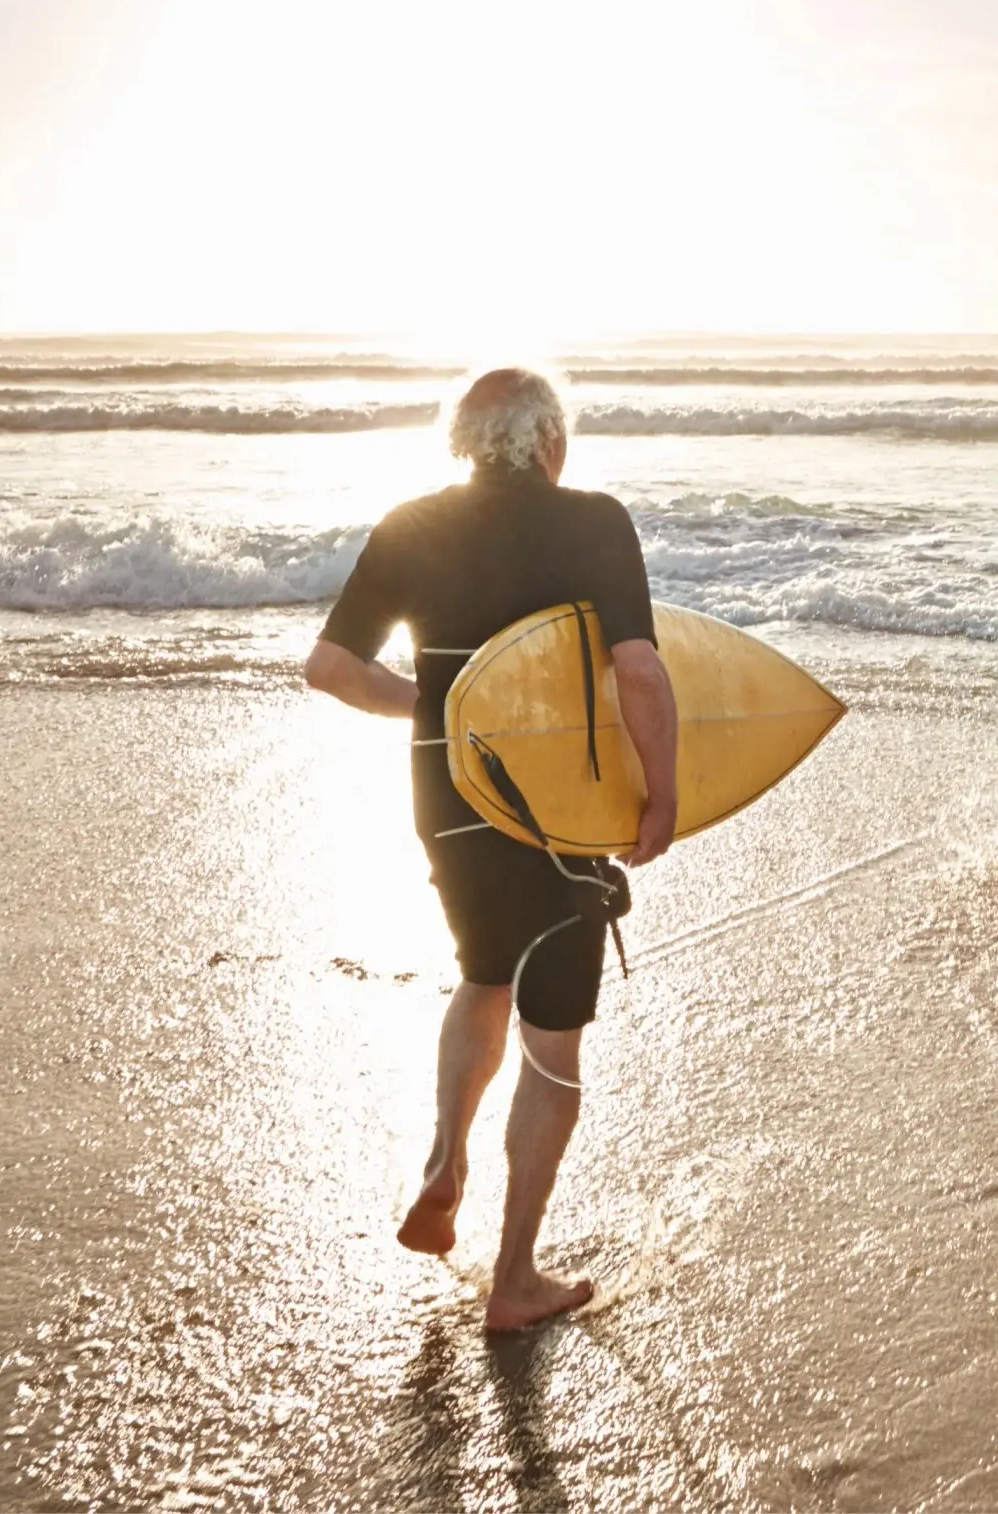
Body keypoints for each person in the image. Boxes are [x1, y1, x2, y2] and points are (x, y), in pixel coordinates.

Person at [304, 366, 680, 1331]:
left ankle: (445, 1158)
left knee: (481, 975)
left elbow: (332, 667)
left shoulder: (411, 523)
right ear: (550, 442)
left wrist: (436, 708)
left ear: (464, 442)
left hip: (449, 793)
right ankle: (515, 1279)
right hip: (561, 809)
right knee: (552, 1042)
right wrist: (664, 791)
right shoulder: (594, 520)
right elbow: (638, 671)